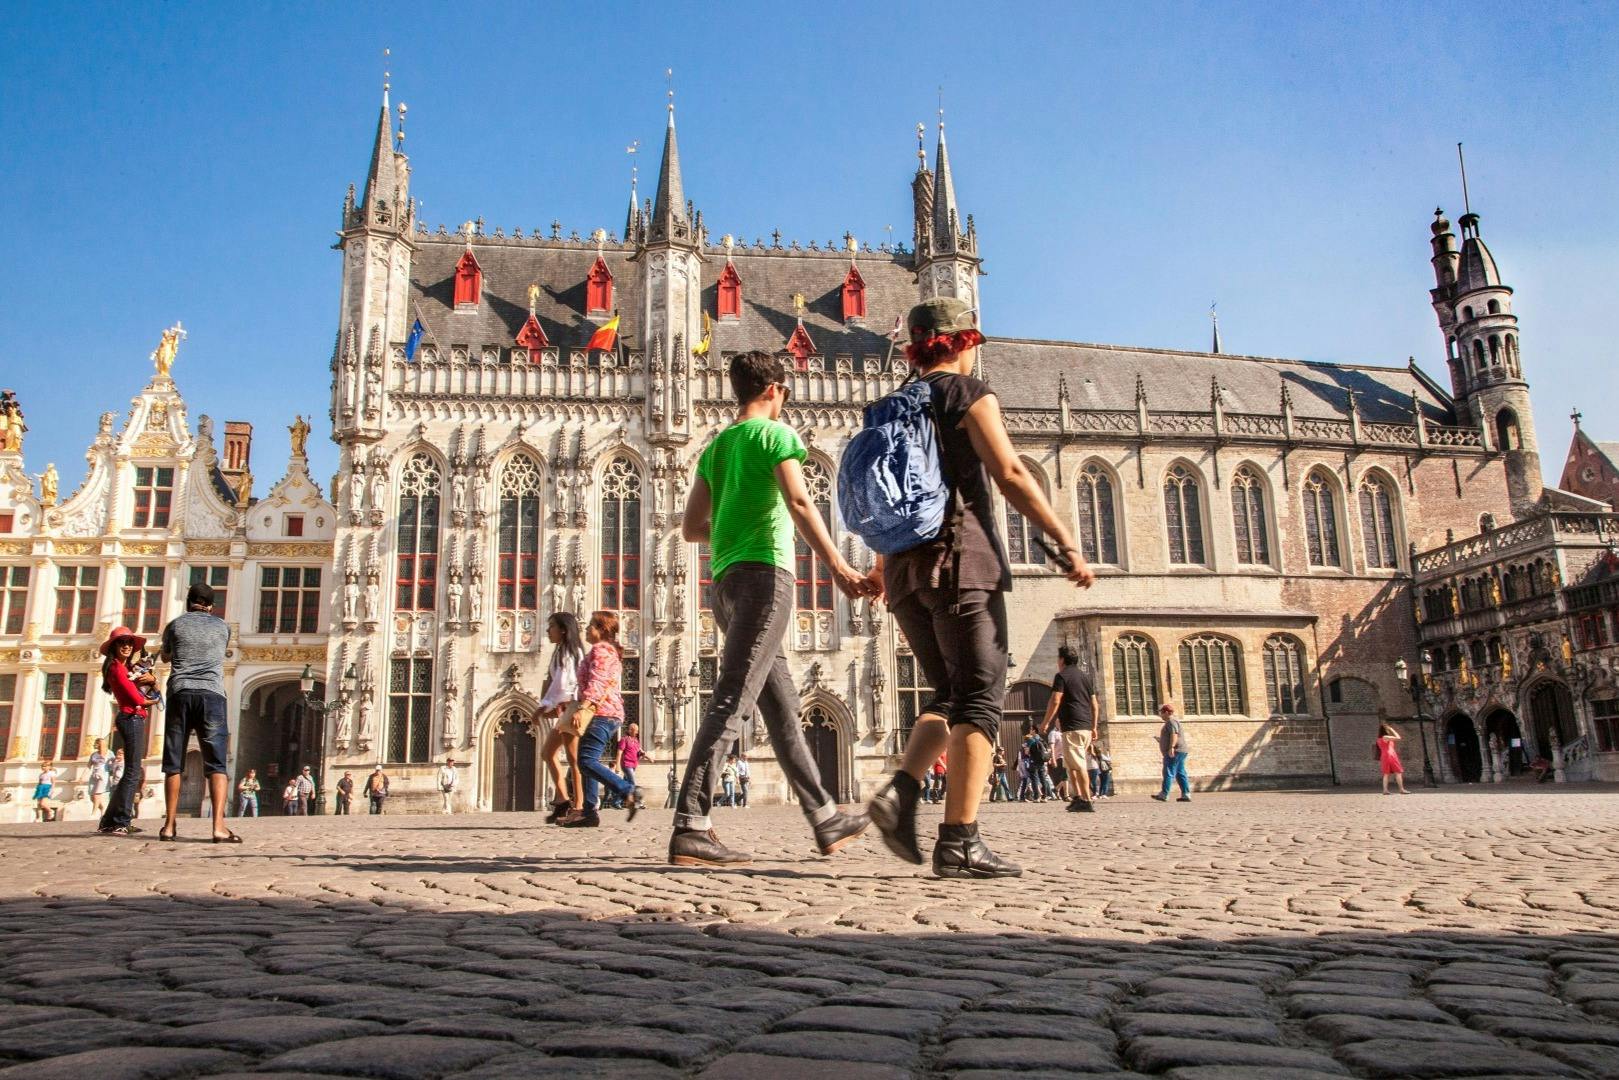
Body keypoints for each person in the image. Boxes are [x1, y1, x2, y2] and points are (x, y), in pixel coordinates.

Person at [865, 297, 1095, 878]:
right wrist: (1064, 539)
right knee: (981, 699)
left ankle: (899, 795)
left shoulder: (887, 406)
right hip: (960, 562)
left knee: (945, 691)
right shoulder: (967, 394)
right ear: (964, 342)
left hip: (903, 571)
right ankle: (960, 839)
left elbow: (883, 491)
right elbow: (1011, 472)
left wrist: (877, 566)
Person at [669, 351, 872, 866]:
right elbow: (801, 503)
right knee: (733, 697)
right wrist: (840, 570)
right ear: (775, 390)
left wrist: (731, 526)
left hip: (725, 584)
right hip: (766, 577)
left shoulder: (715, 449)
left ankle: (825, 817)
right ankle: (692, 821)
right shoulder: (777, 437)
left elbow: (692, 527)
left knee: (781, 708)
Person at [159, 583, 239, 843]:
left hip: (180, 692)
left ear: (188, 602)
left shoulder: (175, 625)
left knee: (173, 763)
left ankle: (169, 825)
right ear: (212, 606)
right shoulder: (222, 627)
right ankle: (218, 826)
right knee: (216, 763)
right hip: (212, 695)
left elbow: (166, 656)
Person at [562, 612, 644, 827]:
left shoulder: (601, 651)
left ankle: (628, 790)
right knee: (587, 761)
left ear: (602, 630)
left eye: (591, 625)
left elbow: (598, 682)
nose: (587, 629)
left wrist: (584, 707)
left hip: (602, 713)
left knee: (586, 761)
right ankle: (589, 812)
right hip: (605, 713)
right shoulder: (605, 651)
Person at [97, 626, 156, 835]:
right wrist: (153, 699)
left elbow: (142, 687)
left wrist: (152, 680)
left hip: (131, 717)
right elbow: (136, 697)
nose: (127, 647)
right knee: (132, 772)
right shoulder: (117, 668)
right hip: (131, 718)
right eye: (122, 643)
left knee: (130, 773)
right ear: (114, 647)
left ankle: (108, 821)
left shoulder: (126, 667)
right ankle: (122, 820)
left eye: (129, 643)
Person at [536, 612, 586, 823]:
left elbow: (565, 684)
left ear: (563, 630)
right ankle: (564, 799)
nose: (548, 631)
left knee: (575, 760)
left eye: (551, 627)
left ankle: (578, 807)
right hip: (565, 708)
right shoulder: (561, 651)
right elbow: (556, 682)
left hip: (572, 707)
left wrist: (545, 705)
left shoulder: (571, 652)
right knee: (548, 753)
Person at [1041, 645, 1100, 813]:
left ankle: (1087, 800)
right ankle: (1077, 798)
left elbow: (1055, 700)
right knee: (1070, 765)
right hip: (1085, 727)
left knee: (1079, 764)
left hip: (1073, 726)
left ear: (1061, 660)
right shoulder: (1085, 677)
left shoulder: (1061, 676)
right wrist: (1094, 726)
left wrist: (1046, 722)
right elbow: (1095, 704)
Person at [1152, 701, 1192, 803]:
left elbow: (1174, 734)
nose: (1160, 715)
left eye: (1161, 712)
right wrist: (1161, 740)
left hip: (1175, 751)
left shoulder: (1171, 721)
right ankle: (1186, 794)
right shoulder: (1172, 722)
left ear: (1166, 712)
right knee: (1180, 772)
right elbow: (1171, 736)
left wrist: (1171, 747)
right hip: (1180, 750)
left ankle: (1164, 794)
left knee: (1168, 771)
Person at [1378, 723, 1410, 794]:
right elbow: (1398, 737)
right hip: (1391, 755)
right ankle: (1401, 789)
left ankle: (1385, 790)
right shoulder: (1386, 737)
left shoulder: (1379, 739)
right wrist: (1392, 729)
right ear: (1385, 730)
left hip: (1384, 756)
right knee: (1398, 772)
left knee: (1386, 773)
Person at [617, 723, 647, 798]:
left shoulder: (635, 740)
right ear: (630, 730)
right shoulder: (624, 739)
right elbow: (619, 752)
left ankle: (617, 801)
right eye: (635, 730)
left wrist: (649, 758)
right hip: (626, 764)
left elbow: (640, 750)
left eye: (637, 730)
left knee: (625, 783)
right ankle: (636, 801)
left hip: (634, 764)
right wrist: (617, 765)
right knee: (632, 782)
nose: (637, 732)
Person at [87, 739, 110, 815]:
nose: (94, 745)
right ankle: (102, 808)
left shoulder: (109, 753)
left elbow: (115, 763)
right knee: (92, 797)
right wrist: (82, 776)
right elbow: (89, 766)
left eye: (96, 743)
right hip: (94, 775)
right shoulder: (94, 754)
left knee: (97, 795)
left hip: (103, 776)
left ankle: (93, 814)